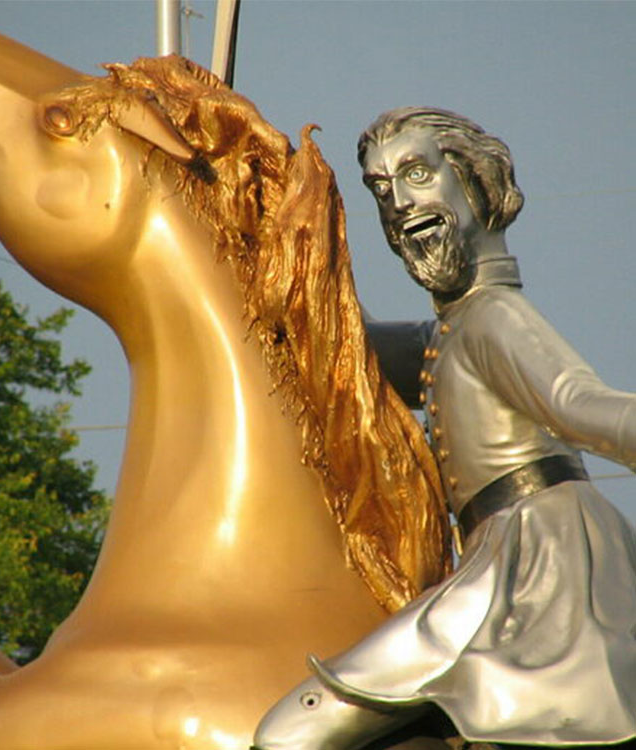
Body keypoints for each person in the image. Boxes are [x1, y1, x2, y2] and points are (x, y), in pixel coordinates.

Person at [252, 108, 636, 749]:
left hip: (538, 559)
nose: (399, 202)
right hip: (497, 559)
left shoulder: (492, 319)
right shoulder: (447, 334)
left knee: (298, 728)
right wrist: (272, 228)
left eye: (416, 174)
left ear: (477, 187)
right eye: (380, 189)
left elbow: (578, 403)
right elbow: (347, 346)